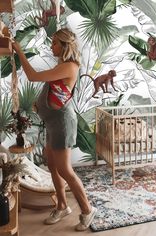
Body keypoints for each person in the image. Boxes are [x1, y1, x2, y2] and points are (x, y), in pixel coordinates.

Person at [12, 28, 97, 231]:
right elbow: (55, 89)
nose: (52, 46)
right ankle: (62, 206)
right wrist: (40, 103)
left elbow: (33, 76)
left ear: (65, 45)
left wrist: (19, 51)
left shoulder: (70, 66)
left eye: (54, 43)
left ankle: (87, 210)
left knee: (65, 169)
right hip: (52, 122)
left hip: (62, 123)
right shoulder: (62, 65)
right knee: (51, 164)